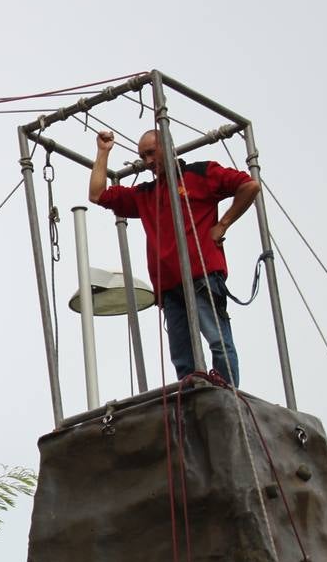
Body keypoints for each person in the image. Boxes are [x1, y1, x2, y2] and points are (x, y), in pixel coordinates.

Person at [89, 130, 260, 386]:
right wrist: (103, 152)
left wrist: (223, 224)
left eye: (151, 153)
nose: (147, 161)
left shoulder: (199, 174)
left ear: (168, 147)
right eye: (142, 156)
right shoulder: (146, 193)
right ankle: (193, 398)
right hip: (169, 286)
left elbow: (250, 185)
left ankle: (227, 392)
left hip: (201, 274)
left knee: (217, 340)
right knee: (182, 356)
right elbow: (97, 194)